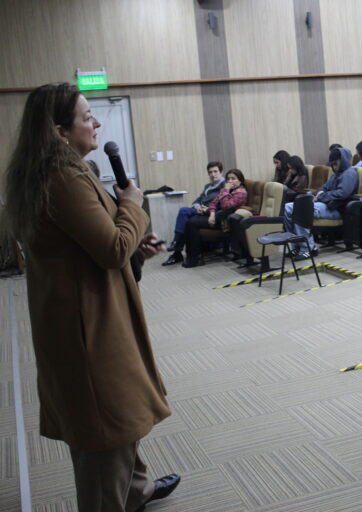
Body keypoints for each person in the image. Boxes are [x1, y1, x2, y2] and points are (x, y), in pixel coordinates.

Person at [2, 83, 179, 511]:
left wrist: (135, 248)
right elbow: (110, 248)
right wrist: (134, 207)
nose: (96, 122)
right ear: (60, 131)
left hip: (85, 318)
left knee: (118, 424)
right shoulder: (63, 179)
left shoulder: (60, 174)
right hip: (89, 334)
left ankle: (135, 491)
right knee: (107, 431)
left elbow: (90, 250)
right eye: (86, 117)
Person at [284, 147, 358, 259]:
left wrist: (322, 196)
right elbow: (323, 187)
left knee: (301, 209)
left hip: (336, 209)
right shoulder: (336, 174)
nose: (333, 167)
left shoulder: (349, 174)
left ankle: (308, 248)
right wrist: (317, 194)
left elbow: (342, 193)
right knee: (287, 208)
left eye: (335, 164)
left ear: (343, 161)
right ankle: (297, 246)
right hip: (325, 205)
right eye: (332, 164)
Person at [182, 168, 248, 268]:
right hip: (217, 216)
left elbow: (226, 206)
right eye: (228, 179)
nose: (230, 181)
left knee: (192, 223)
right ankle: (192, 256)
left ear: (240, 180)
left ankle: (195, 258)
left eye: (233, 178)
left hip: (226, 222)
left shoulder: (241, 193)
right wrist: (212, 214)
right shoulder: (227, 190)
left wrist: (226, 190)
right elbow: (214, 202)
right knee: (190, 221)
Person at [162, 161, 225, 266]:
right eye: (210, 172)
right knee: (185, 219)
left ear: (221, 172)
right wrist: (198, 207)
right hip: (201, 211)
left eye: (215, 171)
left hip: (212, 214)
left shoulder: (224, 187)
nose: (213, 174)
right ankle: (177, 252)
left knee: (183, 211)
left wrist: (206, 209)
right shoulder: (208, 186)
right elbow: (198, 200)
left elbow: (221, 204)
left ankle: (176, 245)